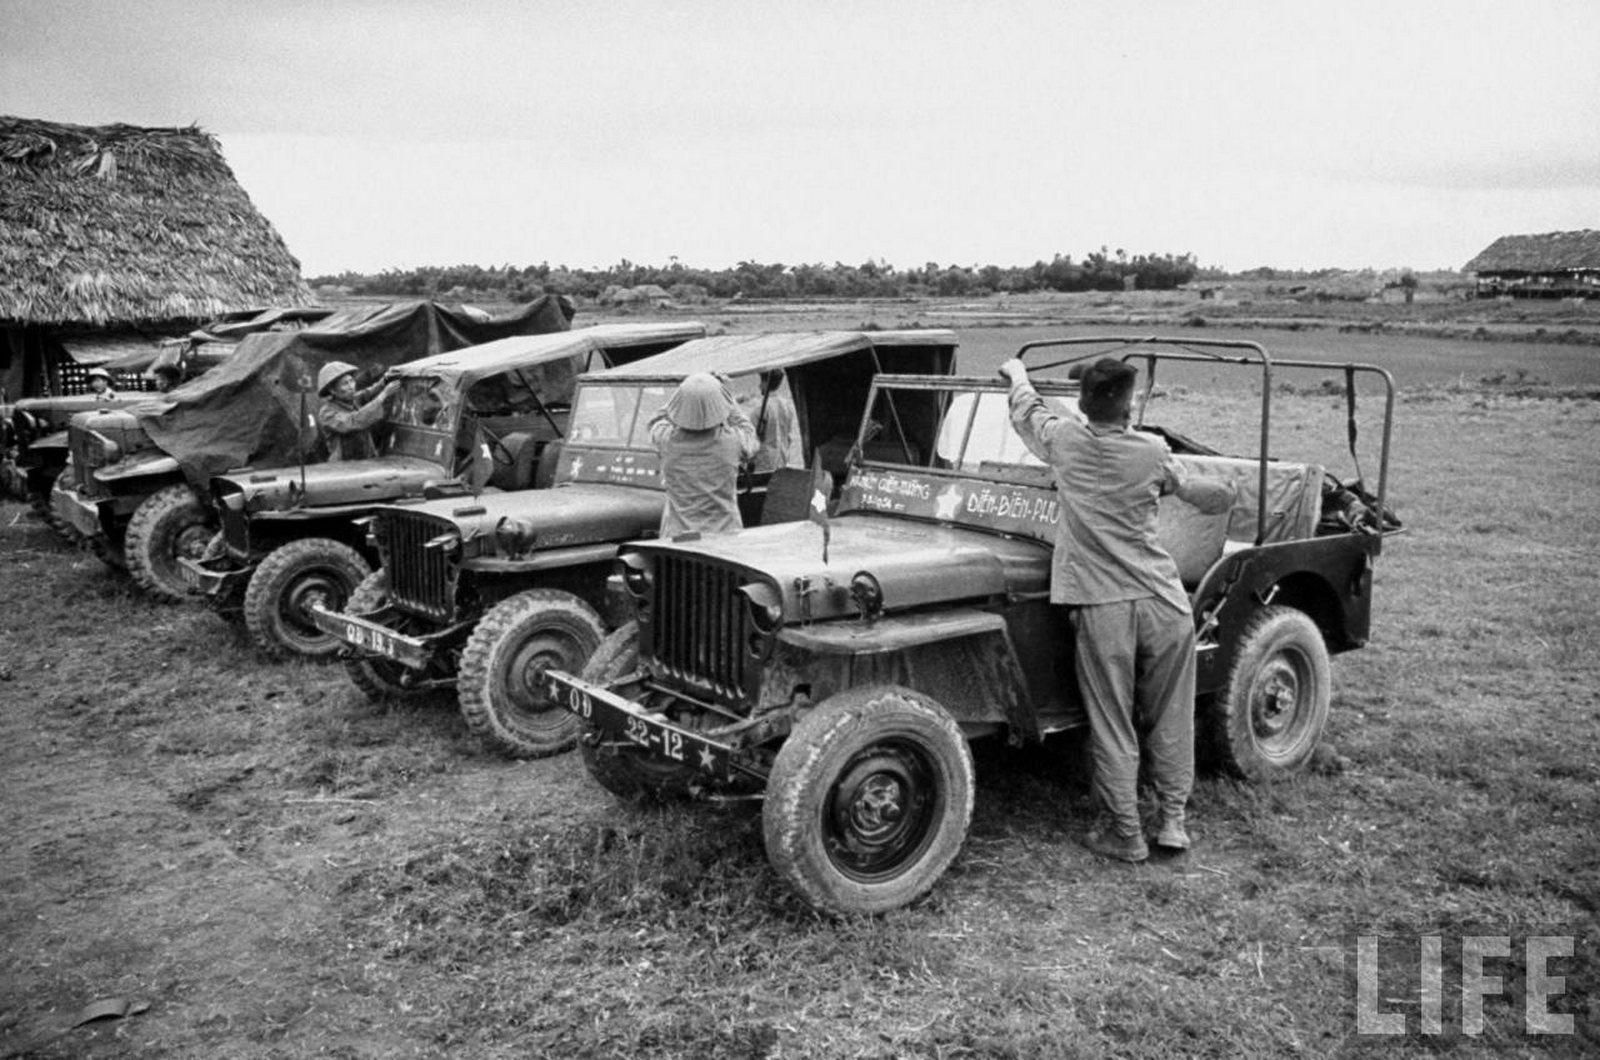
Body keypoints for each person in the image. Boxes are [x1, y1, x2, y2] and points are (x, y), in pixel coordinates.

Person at [1000, 356, 1234, 863]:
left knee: (1112, 720)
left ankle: (1124, 832)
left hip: (1102, 603)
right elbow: (1206, 496)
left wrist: (1018, 373)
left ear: (1083, 405)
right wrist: (1225, 492)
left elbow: (1027, 410)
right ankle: (1173, 821)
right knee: (1172, 714)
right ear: (1128, 407)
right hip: (1164, 601)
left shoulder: (1064, 441)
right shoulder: (1152, 452)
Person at [649, 372, 759, 537]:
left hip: (677, 537)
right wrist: (726, 397)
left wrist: (687, 393)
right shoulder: (732, 441)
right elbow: (748, 431)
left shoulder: (667, 440)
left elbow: (656, 420)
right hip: (724, 535)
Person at [316, 361, 399, 461]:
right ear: (333, 391)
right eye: (345, 384)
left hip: (366, 458)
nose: (351, 386)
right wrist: (384, 395)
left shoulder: (352, 399)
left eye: (351, 381)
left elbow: (368, 393)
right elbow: (353, 421)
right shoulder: (327, 413)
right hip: (344, 466)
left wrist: (385, 380)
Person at [741, 369, 803, 473]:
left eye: (761, 382)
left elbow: (751, 438)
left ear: (766, 383)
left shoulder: (759, 409)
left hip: (764, 463)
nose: (759, 386)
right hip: (782, 459)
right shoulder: (787, 405)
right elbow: (788, 436)